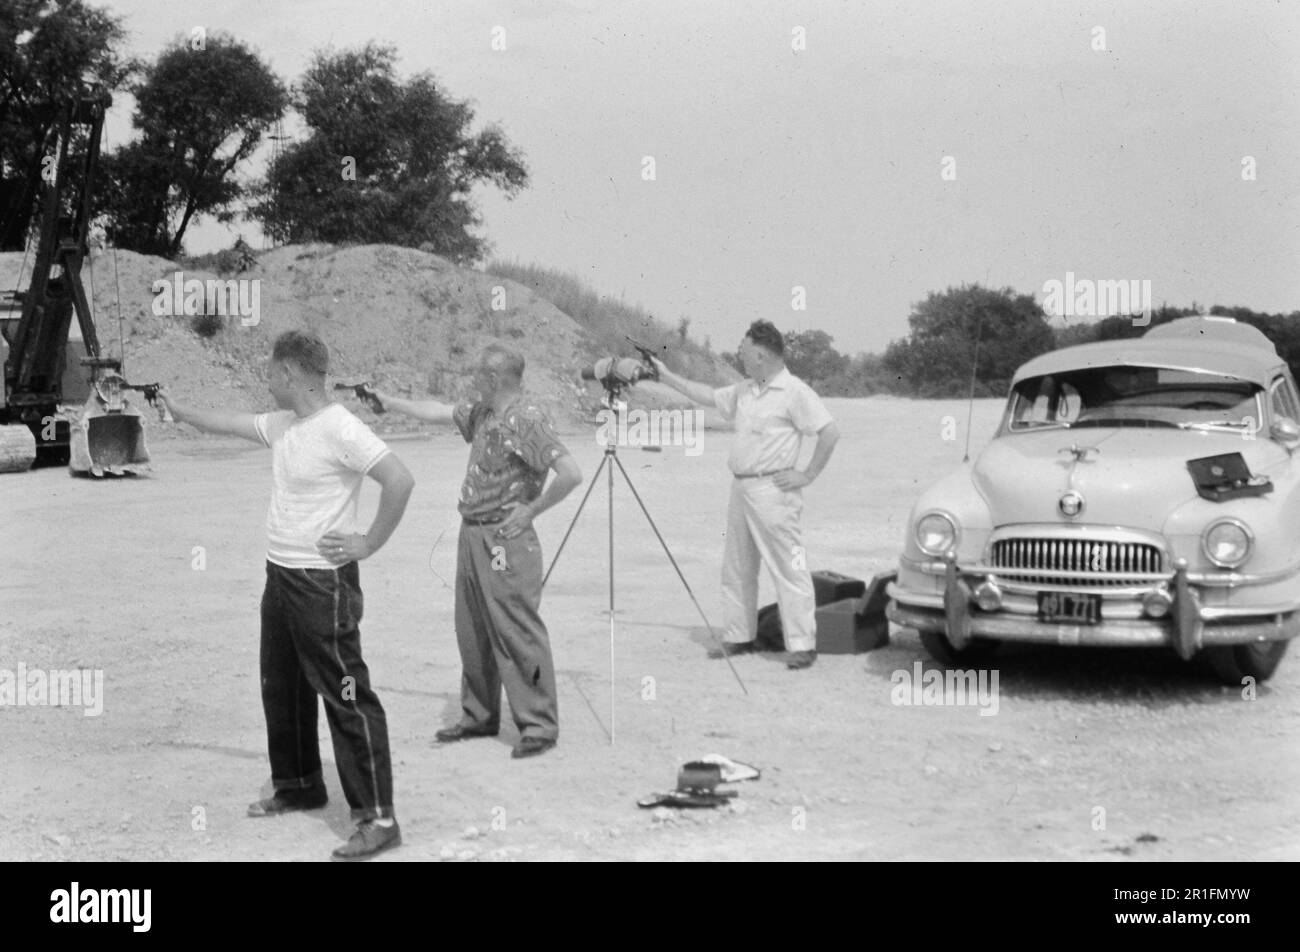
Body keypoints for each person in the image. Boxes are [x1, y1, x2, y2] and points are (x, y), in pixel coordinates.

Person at [157, 330, 415, 861]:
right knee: (284, 686)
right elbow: (227, 423)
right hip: (281, 576)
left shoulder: (341, 427)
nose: (264, 378)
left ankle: (378, 817)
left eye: (270, 371)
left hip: (323, 582)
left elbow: (400, 479)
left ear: (291, 374)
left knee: (345, 692)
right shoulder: (284, 425)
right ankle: (298, 783)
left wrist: (367, 541)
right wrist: (179, 411)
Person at [367, 345, 581, 758]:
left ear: (496, 378)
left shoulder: (527, 419)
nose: (473, 381)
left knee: (515, 629)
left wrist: (531, 510)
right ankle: (479, 715)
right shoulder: (484, 413)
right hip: (472, 533)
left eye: (479, 375)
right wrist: (389, 402)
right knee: (473, 628)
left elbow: (571, 473)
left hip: (504, 538)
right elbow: (439, 411)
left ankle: (538, 725)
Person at [650, 320, 840, 669]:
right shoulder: (746, 389)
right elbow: (708, 395)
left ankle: (802, 644)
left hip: (774, 490)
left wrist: (806, 474)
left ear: (761, 354)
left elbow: (829, 432)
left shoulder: (795, 392)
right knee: (736, 568)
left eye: (744, 349)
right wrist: (666, 376)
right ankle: (739, 637)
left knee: (788, 567)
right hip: (741, 487)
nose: (739, 354)